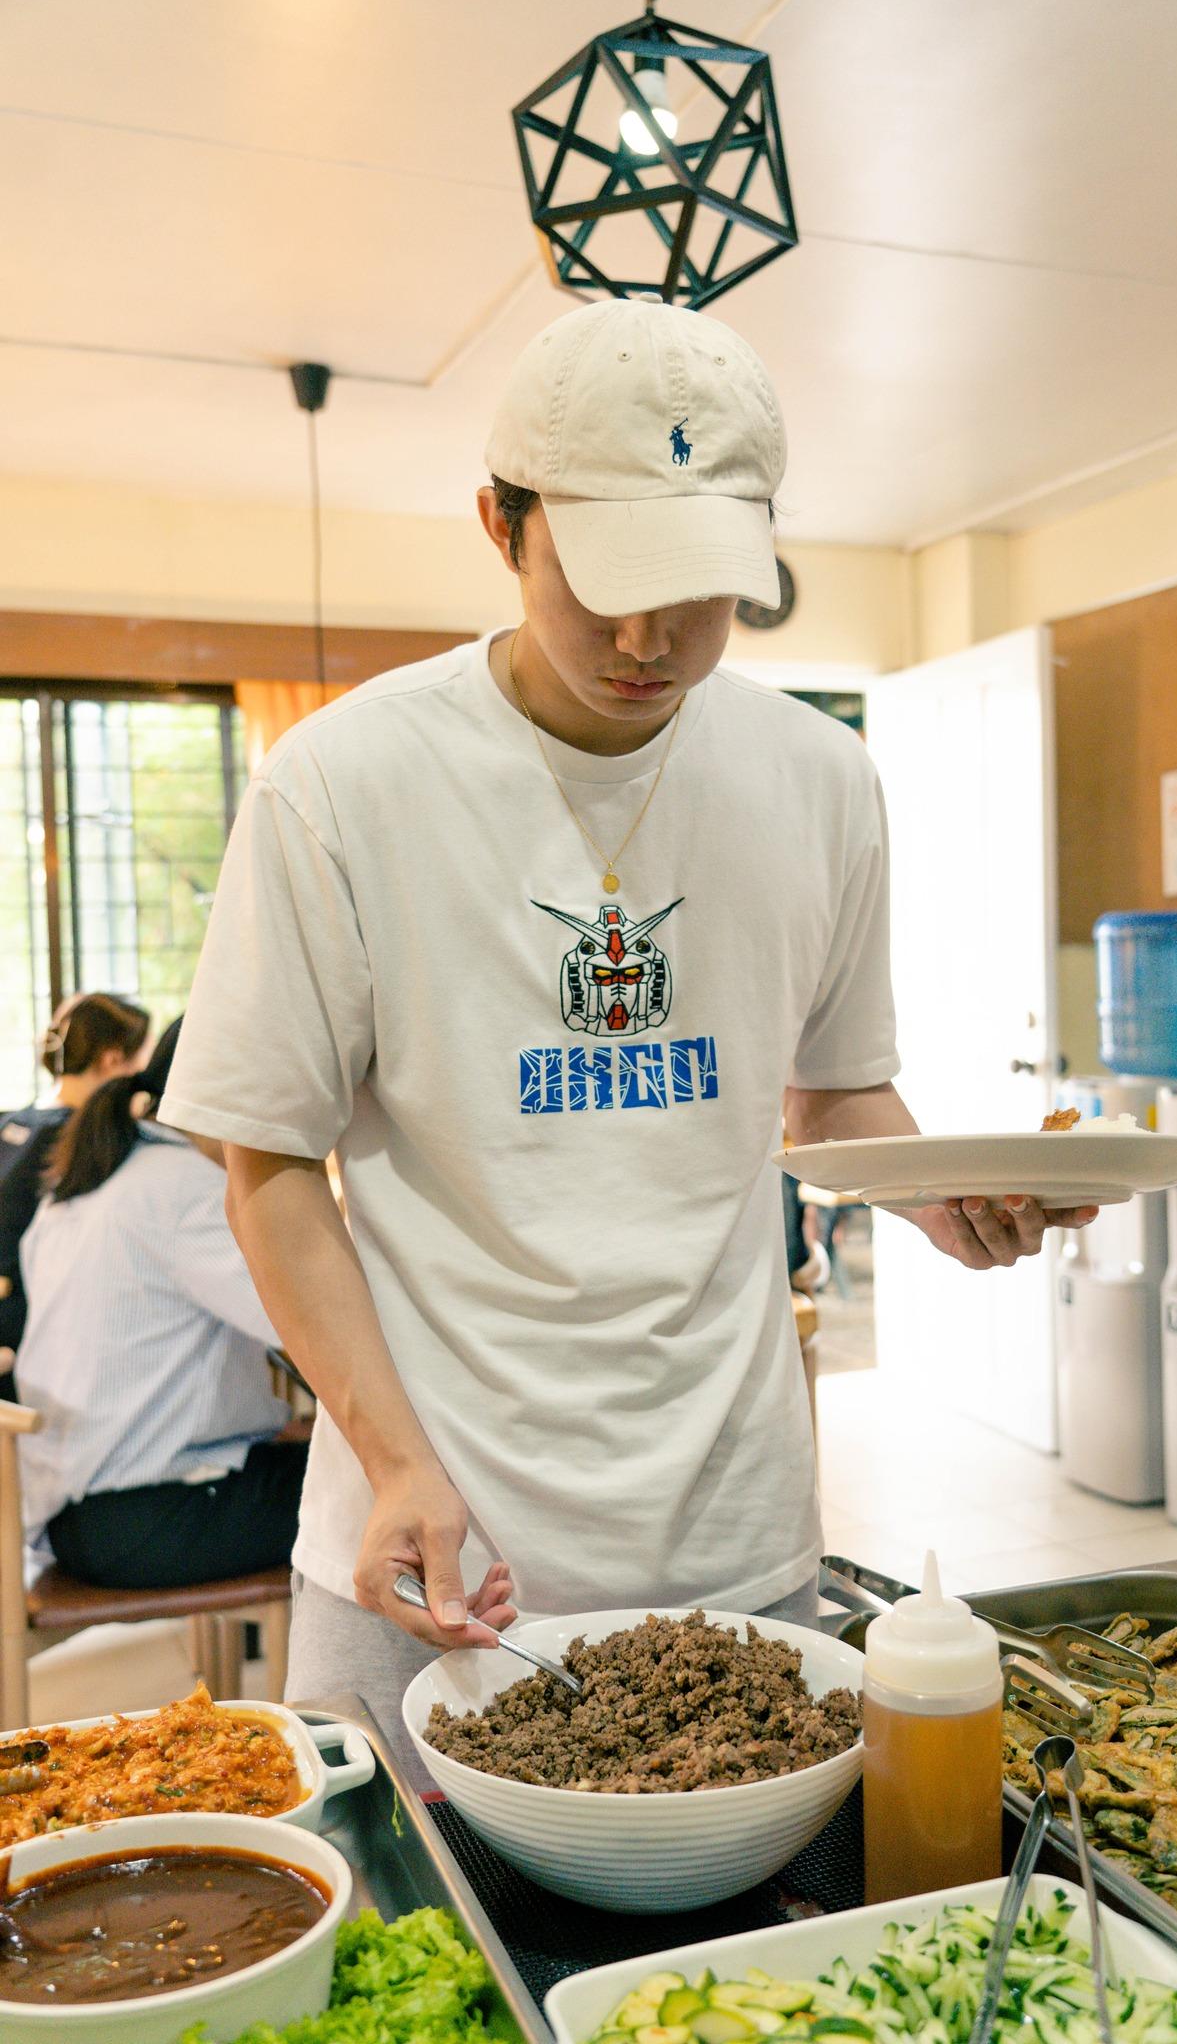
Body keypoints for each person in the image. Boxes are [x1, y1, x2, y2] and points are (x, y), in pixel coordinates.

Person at [159, 299, 1098, 1759]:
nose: (649, 638)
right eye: (604, 583)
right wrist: (394, 1459)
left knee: (742, 1975)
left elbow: (837, 1099)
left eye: (700, 589)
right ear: (499, 524)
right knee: (426, 1959)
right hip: (431, 1539)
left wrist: (947, 1198)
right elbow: (268, 1164)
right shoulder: (343, 785)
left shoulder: (821, 781)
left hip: (738, 1537)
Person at [15, 1018, 306, 1589]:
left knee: (332, 1467)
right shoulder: (187, 1187)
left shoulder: (98, 1173)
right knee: (359, 1490)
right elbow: (306, 1320)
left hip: (75, 1511)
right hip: (141, 1516)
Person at [0, 992, 150, 1395]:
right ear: (113, 1060)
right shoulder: (79, 1142)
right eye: (141, 1062)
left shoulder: (18, 1121)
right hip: (28, 1335)